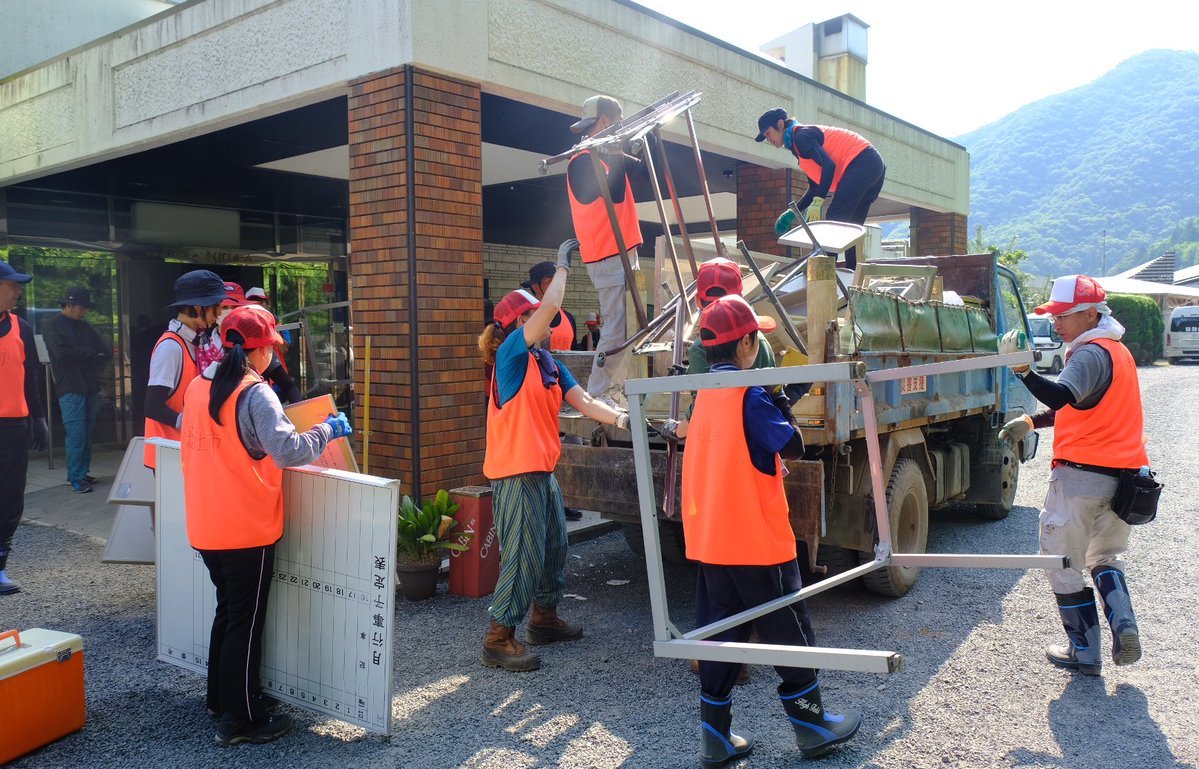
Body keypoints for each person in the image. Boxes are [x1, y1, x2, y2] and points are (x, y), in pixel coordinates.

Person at [680, 294, 860, 764]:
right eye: (757, 338)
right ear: (744, 345)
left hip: (714, 539)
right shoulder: (750, 394)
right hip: (757, 540)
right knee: (789, 629)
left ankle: (715, 739)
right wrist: (781, 394)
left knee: (721, 633)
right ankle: (813, 725)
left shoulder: (704, 396)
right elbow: (793, 443)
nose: (759, 345)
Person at [181, 304, 351, 746]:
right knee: (247, 620)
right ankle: (242, 718)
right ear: (259, 350)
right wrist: (328, 430)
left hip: (205, 524)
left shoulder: (200, 386)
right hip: (246, 528)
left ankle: (222, 698)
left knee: (230, 611)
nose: (272, 357)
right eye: (271, 349)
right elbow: (288, 451)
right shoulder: (255, 392)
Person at [477, 246, 630, 672]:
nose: (541, 320)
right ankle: (498, 637)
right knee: (523, 554)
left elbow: (585, 402)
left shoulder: (547, 363)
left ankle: (542, 620)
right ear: (515, 325)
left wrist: (624, 419)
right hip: (514, 473)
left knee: (553, 549)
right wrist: (562, 264)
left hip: (541, 471)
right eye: (530, 316)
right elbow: (553, 306)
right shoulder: (509, 357)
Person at [998, 274, 1148, 676]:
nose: (1057, 323)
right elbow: (1081, 406)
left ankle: (1083, 650)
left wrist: (1024, 373)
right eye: (1054, 315)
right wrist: (1032, 421)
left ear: (1090, 314)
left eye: (1063, 315)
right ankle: (1123, 622)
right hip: (1126, 481)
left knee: (1062, 562)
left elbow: (1063, 395)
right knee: (1105, 556)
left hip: (1081, 479)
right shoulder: (1116, 352)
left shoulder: (1088, 354)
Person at [567, 95, 647, 407]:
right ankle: (598, 393)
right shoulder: (582, 161)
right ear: (606, 122)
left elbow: (627, 182)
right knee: (617, 327)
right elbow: (613, 193)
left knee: (625, 326)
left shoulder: (595, 157)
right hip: (607, 252)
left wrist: (621, 152)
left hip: (616, 250)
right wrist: (617, 151)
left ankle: (614, 389)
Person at [754, 108, 887, 270]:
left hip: (862, 161)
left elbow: (829, 167)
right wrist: (793, 212)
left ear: (780, 124)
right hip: (872, 164)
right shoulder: (797, 145)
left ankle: (824, 273)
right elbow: (814, 187)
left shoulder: (801, 136)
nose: (769, 139)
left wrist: (818, 201)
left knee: (834, 217)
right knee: (851, 225)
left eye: (768, 134)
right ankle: (853, 274)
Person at [144, 270, 228, 470]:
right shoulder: (171, 347)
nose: (218, 316)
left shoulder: (194, 341)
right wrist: (192, 424)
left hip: (183, 451)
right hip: (169, 453)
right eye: (216, 308)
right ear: (198, 308)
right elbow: (152, 406)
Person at [0, 260, 48, 595]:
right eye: (13, 284)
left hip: (13, 424)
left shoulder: (21, 326)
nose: (19, 291)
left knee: (10, 495)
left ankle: (0, 565)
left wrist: (39, 417)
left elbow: (30, 375)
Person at [43, 286, 111, 493]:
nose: (84, 312)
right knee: (77, 433)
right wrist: (89, 353)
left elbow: (104, 351)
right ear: (70, 305)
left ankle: (81, 473)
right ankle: (75, 476)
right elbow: (62, 354)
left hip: (87, 383)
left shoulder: (84, 327)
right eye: (82, 307)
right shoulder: (53, 326)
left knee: (86, 432)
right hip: (70, 385)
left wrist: (84, 354)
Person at [522, 260, 578, 352]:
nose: (556, 286)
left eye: (557, 281)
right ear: (536, 287)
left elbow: (575, 352)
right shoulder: (526, 319)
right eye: (549, 282)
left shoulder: (569, 318)